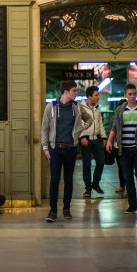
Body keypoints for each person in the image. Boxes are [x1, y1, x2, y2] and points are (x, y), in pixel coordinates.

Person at [41, 80, 91, 222]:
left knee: (68, 180)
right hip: (55, 149)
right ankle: (53, 211)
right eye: (74, 91)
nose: (77, 93)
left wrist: (84, 126)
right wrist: (45, 147)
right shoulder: (51, 107)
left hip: (70, 149)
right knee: (55, 179)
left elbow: (89, 118)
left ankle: (66, 209)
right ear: (66, 92)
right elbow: (45, 128)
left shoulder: (77, 107)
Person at [105, 84, 137, 214]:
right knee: (128, 177)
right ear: (125, 95)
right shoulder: (120, 110)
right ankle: (132, 205)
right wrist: (109, 141)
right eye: (130, 94)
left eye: (134, 93)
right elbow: (114, 127)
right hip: (123, 149)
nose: (133, 96)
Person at [79, 86, 108, 198]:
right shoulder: (80, 108)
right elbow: (77, 125)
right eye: (96, 95)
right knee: (87, 165)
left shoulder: (97, 109)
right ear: (89, 96)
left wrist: (104, 137)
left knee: (101, 162)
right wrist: (82, 137)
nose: (98, 97)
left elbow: (100, 124)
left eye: (98, 95)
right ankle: (88, 189)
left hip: (97, 140)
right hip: (85, 140)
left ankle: (95, 184)